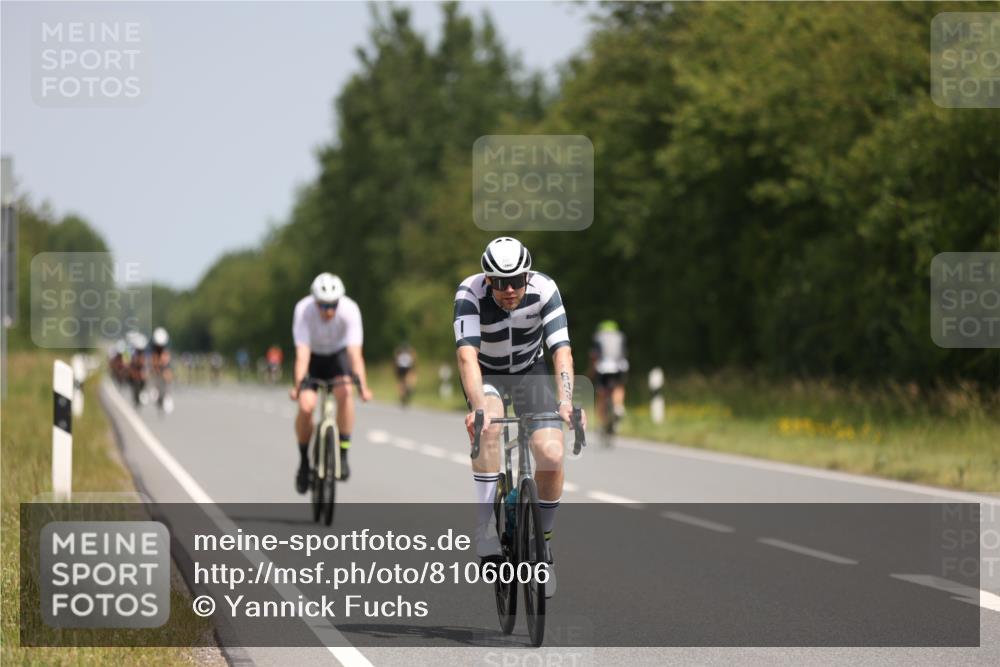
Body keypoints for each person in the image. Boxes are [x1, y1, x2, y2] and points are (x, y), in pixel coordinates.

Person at [454, 237, 584, 598]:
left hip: (531, 371)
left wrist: (566, 401)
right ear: (487, 279)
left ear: (528, 275)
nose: (509, 290)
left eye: (516, 281)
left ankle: (543, 548)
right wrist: (478, 409)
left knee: (552, 452)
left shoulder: (544, 289)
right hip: (487, 375)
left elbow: (561, 352)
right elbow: (467, 357)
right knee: (490, 428)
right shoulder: (469, 294)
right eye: (499, 282)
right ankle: (485, 529)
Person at [289, 272, 373, 493]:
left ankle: (343, 453)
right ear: (315, 302)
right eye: (323, 306)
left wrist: (363, 386)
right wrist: (298, 385)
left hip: (338, 356)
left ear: (339, 302)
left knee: (346, 392)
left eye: (333, 305)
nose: (328, 311)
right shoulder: (303, 310)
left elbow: (355, 354)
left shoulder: (350, 310)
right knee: (306, 406)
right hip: (313, 358)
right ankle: (304, 462)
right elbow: (302, 353)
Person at [589, 320, 629, 441]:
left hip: (603, 367)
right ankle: (618, 407)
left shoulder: (597, 337)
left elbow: (594, 356)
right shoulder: (621, 336)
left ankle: (601, 423)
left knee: (601, 394)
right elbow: (624, 353)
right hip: (619, 366)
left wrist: (591, 372)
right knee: (619, 386)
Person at [150, 327, 175, 413]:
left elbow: (167, 359)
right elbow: (152, 361)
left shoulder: (166, 348)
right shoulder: (153, 349)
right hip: (156, 366)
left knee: (168, 375)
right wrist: (155, 366)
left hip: (165, 366)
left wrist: (164, 365)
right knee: (153, 373)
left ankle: (168, 395)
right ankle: (155, 388)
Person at [393, 342, 417, 406]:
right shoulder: (410, 352)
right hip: (407, 367)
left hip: (400, 368)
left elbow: (395, 359)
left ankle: (402, 395)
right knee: (407, 380)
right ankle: (408, 388)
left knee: (401, 382)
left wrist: (395, 368)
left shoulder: (398, 352)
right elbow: (414, 359)